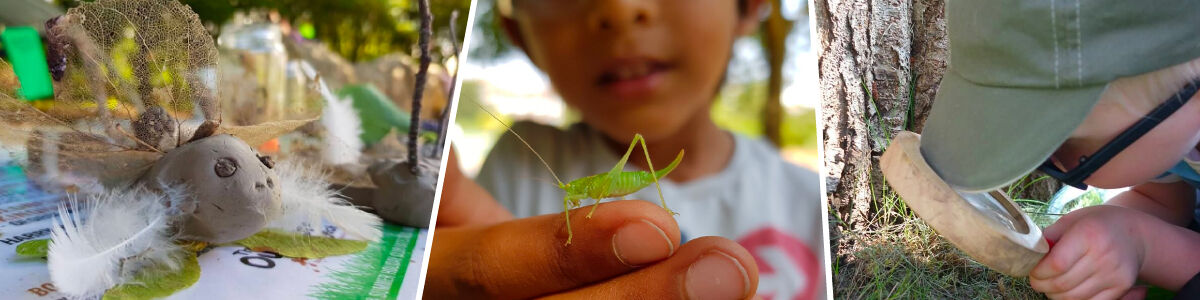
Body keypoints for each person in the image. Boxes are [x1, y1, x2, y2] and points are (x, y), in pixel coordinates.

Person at [425, 0, 825, 299]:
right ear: (518, 35)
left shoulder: (815, 203)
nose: (621, 8)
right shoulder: (516, 160)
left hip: (623, 181)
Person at [916, 0, 1200, 299]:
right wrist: (1105, 239)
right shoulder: (1163, 131)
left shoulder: (1160, 131)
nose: (1045, 160)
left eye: (1064, 144)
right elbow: (1165, 202)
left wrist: (1147, 246)